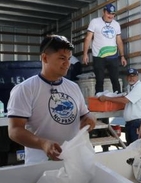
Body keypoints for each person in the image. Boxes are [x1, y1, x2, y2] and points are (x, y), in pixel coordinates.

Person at [7, 35, 96, 165]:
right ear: (44, 58)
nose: (67, 63)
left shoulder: (73, 87)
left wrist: (91, 119)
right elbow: (14, 130)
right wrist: (43, 144)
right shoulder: (25, 89)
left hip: (74, 162)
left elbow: (85, 114)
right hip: (41, 165)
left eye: (69, 59)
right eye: (61, 58)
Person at [82, 3, 127, 94]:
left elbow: (119, 41)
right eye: (109, 13)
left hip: (113, 56)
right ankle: (99, 100)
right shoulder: (95, 22)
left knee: (115, 79)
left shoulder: (116, 25)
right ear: (104, 12)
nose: (111, 16)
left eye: (113, 14)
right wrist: (85, 54)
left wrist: (122, 56)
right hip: (99, 55)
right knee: (99, 80)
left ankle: (118, 99)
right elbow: (88, 38)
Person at [98, 68, 141, 145]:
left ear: (137, 76)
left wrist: (106, 98)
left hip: (137, 122)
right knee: (130, 148)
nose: (131, 78)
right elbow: (123, 97)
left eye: (133, 76)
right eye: (129, 76)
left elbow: (125, 100)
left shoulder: (139, 87)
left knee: (137, 148)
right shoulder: (129, 87)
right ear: (126, 77)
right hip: (130, 123)